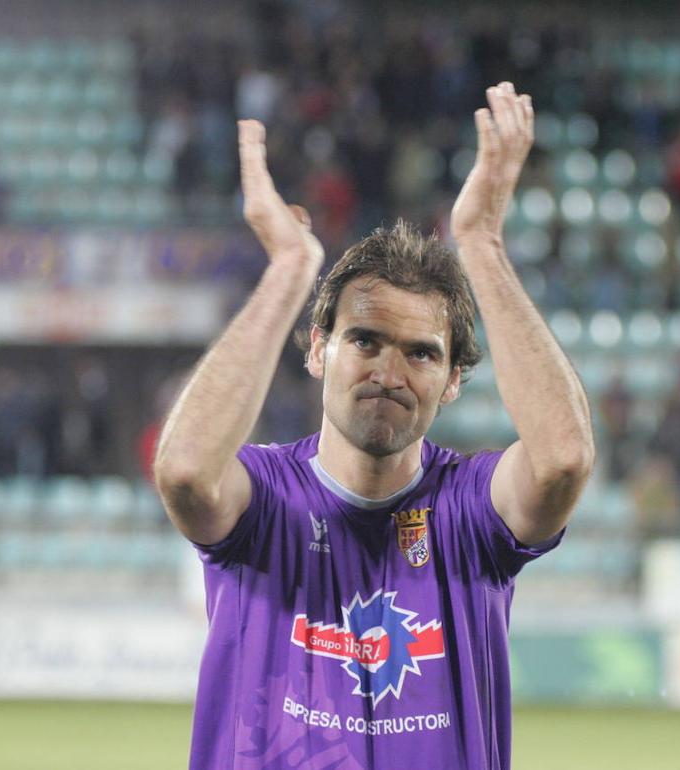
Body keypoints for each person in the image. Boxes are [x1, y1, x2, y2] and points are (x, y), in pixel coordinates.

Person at [154, 82, 594, 770]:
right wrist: (288, 272)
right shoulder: (266, 496)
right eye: (365, 340)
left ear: (452, 381)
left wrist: (480, 242)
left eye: (422, 352)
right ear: (316, 349)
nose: (391, 371)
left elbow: (564, 460)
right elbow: (183, 472)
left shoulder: (470, 509)